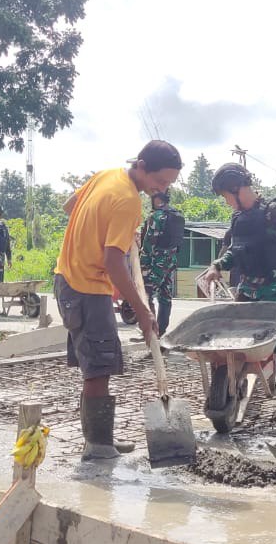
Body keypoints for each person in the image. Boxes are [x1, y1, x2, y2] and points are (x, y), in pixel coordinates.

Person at [55, 140, 182, 460]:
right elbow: (113, 263)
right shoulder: (128, 201)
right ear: (142, 166)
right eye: (160, 180)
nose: (162, 188)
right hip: (86, 285)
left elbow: (70, 207)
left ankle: (101, 438)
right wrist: (142, 311)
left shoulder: (107, 175)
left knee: (97, 365)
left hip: (69, 279)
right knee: (99, 367)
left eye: (168, 184)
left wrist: (118, 231)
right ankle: (97, 446)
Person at [200, 163, 276, 420]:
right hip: (247, 286)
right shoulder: (238, 218)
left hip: (274, 287)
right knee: (234, 335)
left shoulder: (275, 212)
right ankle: (232, 383)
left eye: (226, 196)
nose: (227, 202)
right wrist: (217, 266)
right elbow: (236, 250)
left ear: (236, 189)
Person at [140, 190, 184, 333]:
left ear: (156, 198)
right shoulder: (177, 215)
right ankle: (162, 330)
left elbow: (149, 244)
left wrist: (142, 264)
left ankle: (151, 332)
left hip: (156, 262)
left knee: (146, 294)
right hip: (170, 261)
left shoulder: (156, 216)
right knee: (165, 296)